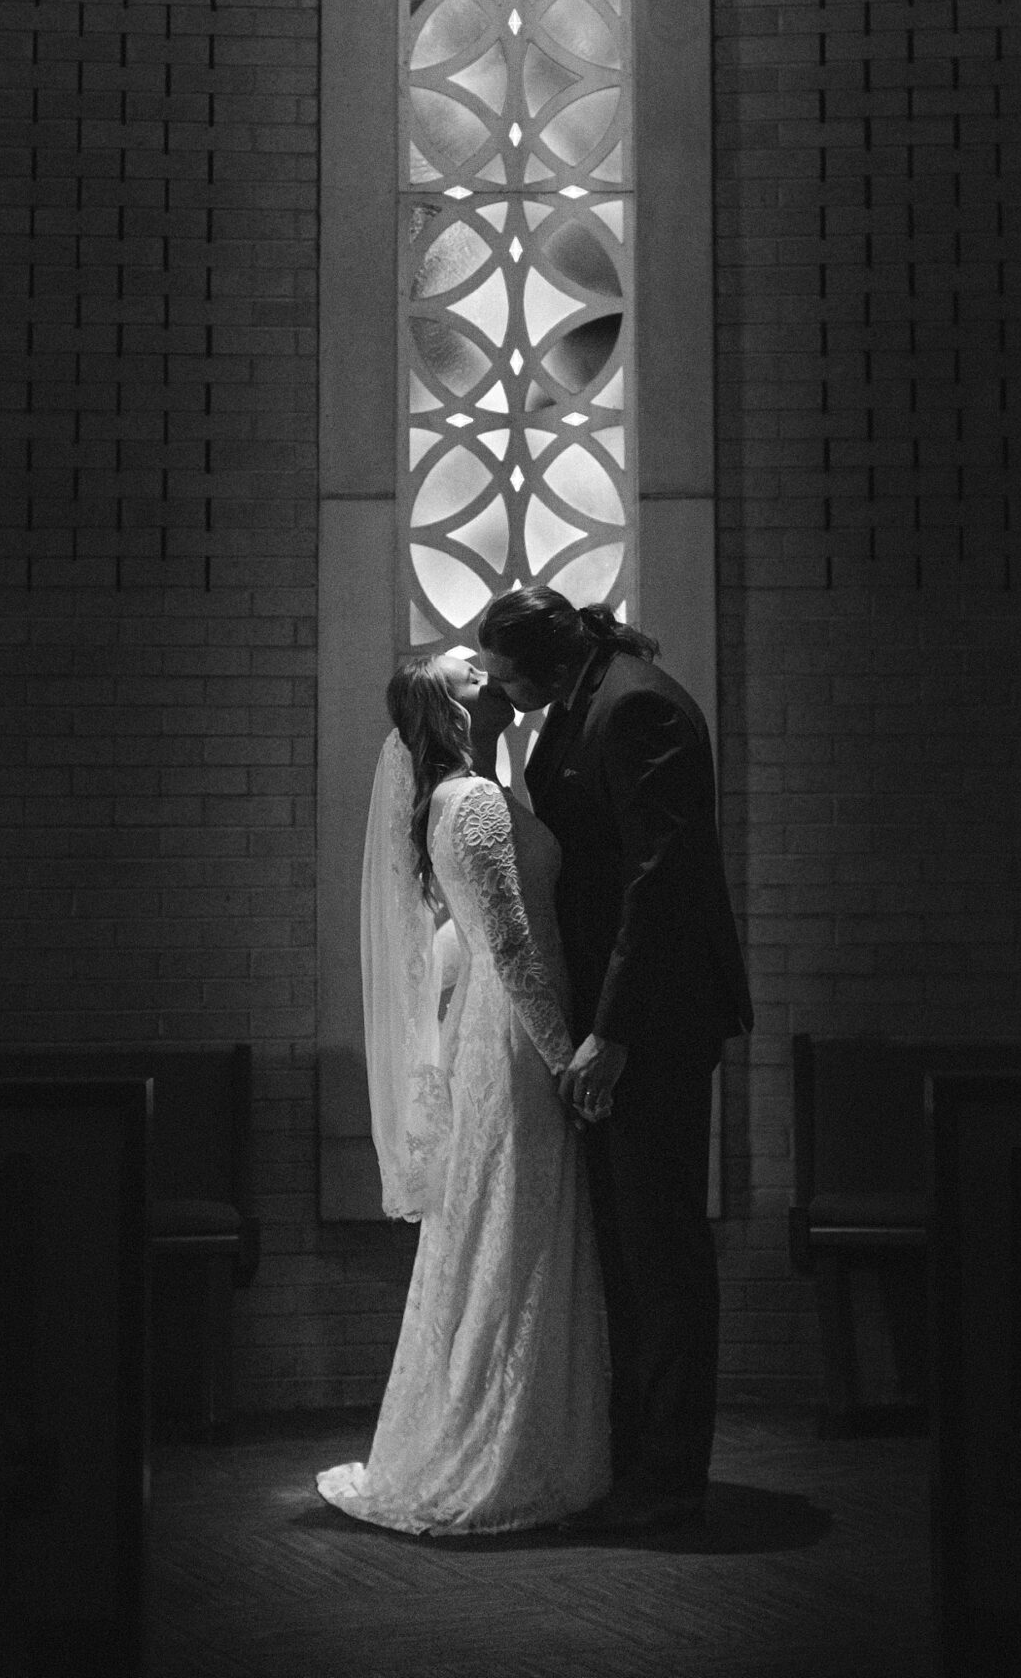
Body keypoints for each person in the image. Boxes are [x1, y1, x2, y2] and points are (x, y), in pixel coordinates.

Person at [316, 646, 613, 1534]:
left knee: (506, 1227)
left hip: (494, 1028)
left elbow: (461, 941)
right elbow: (512, 945)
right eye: (471, 675)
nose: (491, 676)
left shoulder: (456, 798)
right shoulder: (475, 802)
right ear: (448, 713)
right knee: (515, 1228)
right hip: (519, 1037)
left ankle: (515, 1434)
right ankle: (501, 1449)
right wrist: (565, 1057)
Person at [477, 587, 754, 1530]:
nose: (499, 687)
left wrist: (614, 1032)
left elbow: (659, 880)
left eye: (505, 671)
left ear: (547, 660)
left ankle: (670, 1467)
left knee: (660, 1245)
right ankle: (633, 1447)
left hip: (653, 1023)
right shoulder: (583, 699)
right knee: (629, 1248)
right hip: (614, 1011)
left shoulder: (633, 707)